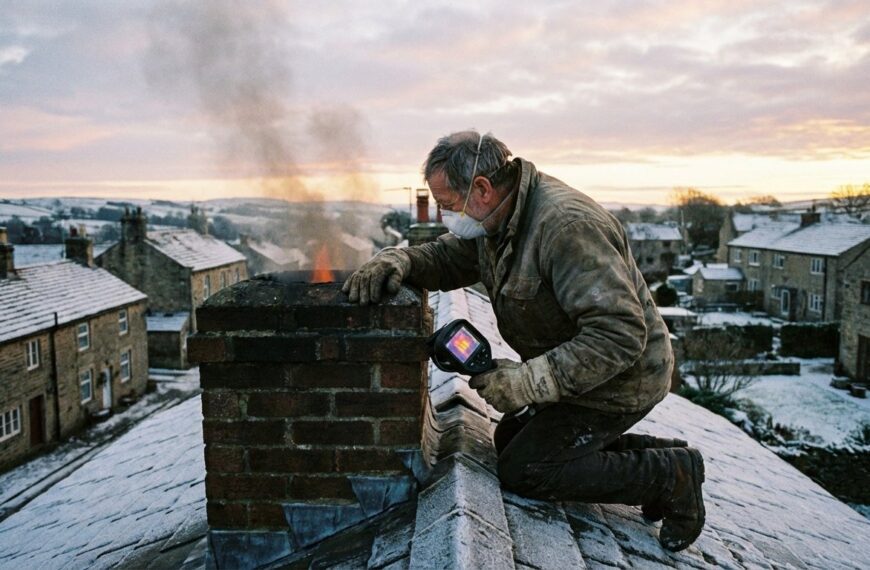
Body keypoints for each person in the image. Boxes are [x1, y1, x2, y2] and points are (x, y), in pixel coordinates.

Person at [342, 131, 705, 551]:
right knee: (510, 438)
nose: (444, 216)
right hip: (579, 372)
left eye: (448, 204)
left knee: (527, 468)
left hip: (619, 379)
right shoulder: (498, 217)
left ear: (482, 188)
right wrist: (401, 259)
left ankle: (671, 476)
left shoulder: (566, 228)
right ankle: (667, 457)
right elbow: (450, 258)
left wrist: (527, 382)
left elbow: (619, 335)